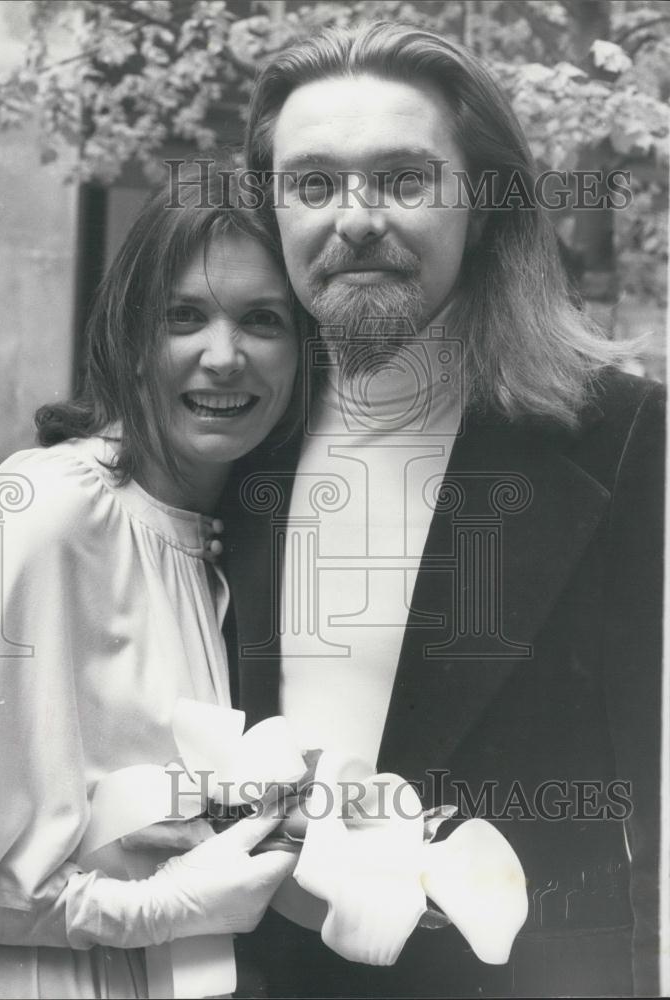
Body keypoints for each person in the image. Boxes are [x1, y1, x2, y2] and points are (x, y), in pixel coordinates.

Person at [221, 23, 665, 998]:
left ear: (486, 207)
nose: (355, 218)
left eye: (403, 179)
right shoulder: (231, 441)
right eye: (312, 184)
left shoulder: (628, 442)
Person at [0, 161, 303, 999]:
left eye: (263, 320)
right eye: (184, 316)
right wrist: (160, 909)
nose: (224, 357)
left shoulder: (235, 533)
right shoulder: (47, 505)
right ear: (129, 335)